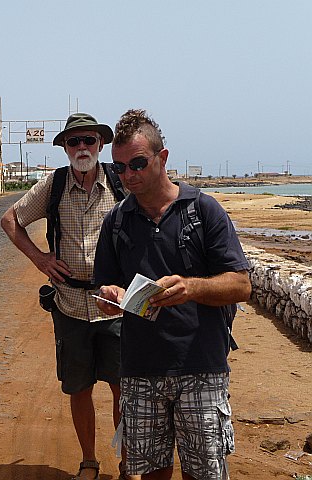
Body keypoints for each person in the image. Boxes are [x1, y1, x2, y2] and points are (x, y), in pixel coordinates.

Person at [94, 109, 251, 480]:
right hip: (139, 370)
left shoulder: (203, 211)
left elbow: (242, 285)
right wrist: (110, 295)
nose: (128, 175)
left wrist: (191, 287)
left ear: (162, 158)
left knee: (205, 473)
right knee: (149, 473)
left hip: (200, 367)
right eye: (120, 168)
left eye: (137, 163)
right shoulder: (116, 222)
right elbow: (107, 287)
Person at [1, 113, 125, 480]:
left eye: (88, 141)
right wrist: (40, 259)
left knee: (125, 390)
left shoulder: (120, 183)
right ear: (65, 148)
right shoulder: (52, 185)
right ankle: (89, 460)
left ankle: (127, 462)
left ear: (101, 145)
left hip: (116, 308)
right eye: (74, 142)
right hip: (69, 306)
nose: (82, 148)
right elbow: (10, 220)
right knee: (78, 387)